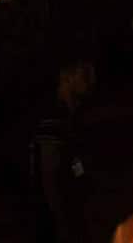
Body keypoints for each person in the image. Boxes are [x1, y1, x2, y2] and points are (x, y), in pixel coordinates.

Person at [31, 58, 96, 243]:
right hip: (56, 212)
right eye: (83, 76)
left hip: (70, 204)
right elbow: (49, 172)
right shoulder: (54, 118)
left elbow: (74, 158)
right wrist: (59, 215)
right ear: (68, 79)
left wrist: (82, 177)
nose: (90, 82)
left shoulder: (71, 118)